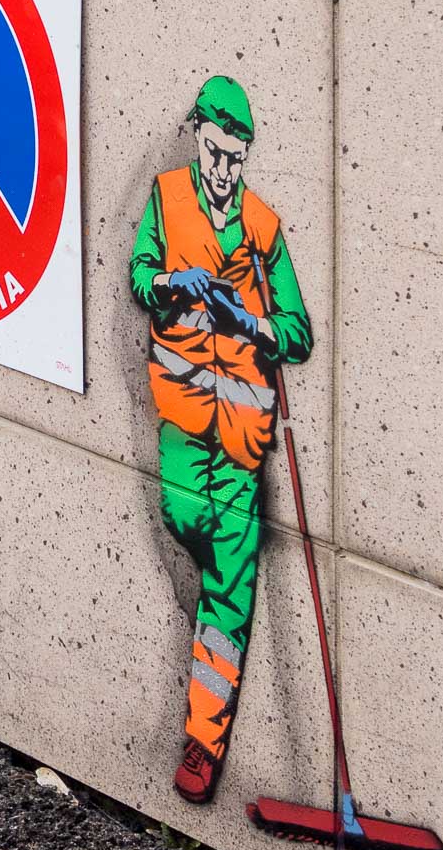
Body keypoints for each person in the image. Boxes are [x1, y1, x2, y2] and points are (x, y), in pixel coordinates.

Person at [127, 76, 313, 804]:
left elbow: (297, 333)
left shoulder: (263, 229)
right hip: (182, 419)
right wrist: (174, 284)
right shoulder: (168, 198)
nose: (224, 170)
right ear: (197, 137)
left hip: (242, 440)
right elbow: (140, 274)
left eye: (236, 158)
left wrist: (252, 324)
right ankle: (217, 593)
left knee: (229, 587)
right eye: (214, 152)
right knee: (184, 521)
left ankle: (202, 744)